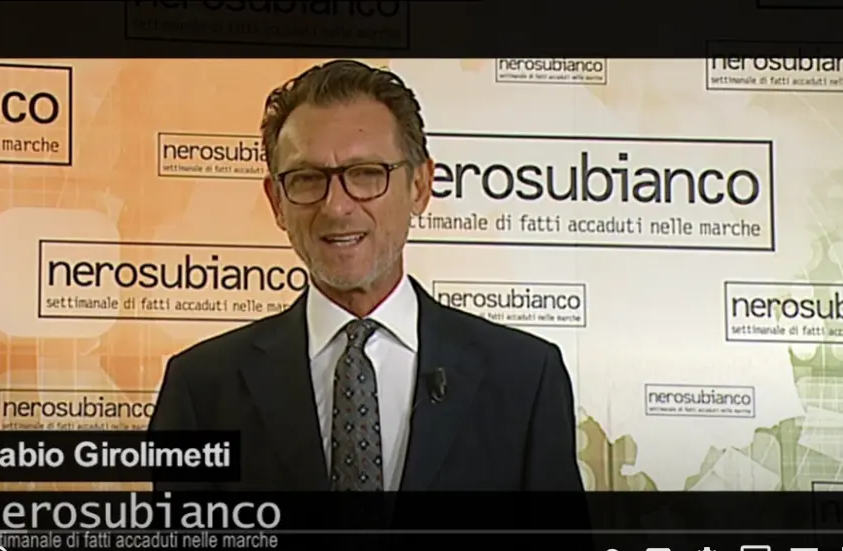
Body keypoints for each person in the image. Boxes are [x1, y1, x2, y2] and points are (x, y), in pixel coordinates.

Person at [149, 59, 584, 493]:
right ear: (277, 201)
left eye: (366, 174)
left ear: (420, 186)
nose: (336, 207)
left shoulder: (524, 379)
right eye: (306, 179)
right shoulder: (201, 390)